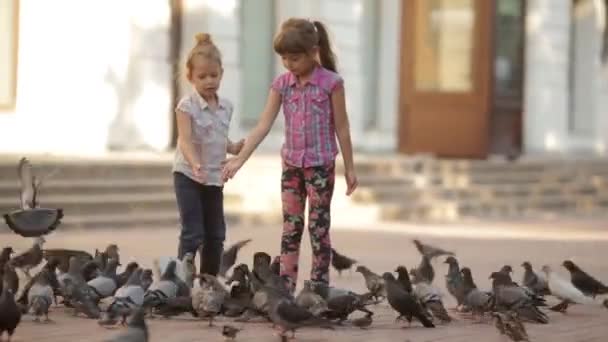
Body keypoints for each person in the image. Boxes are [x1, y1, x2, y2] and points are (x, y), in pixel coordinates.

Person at [222, 18, 357, 292]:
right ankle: (284, 288)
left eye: (294, 58)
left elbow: (342, 128)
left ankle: (318, 288)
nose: (288, 64)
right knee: (290, 228)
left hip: (321, 167)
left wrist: (350, 168)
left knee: (318, 229)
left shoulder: (331, 84)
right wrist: (239, 159)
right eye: (284, 58)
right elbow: (262, 125)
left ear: (313, 51)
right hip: (292, 167)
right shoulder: (282, 85)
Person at [172, 33, 244, 276]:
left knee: (215, 234)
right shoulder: (186, 106)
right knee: (193, 231)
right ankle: (182, 283)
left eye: (213, 75)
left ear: (221, 74)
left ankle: (209, 281)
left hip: (214, 177)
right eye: (202, 76)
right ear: (190, 76)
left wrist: (233, 147)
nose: (209, 81)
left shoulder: (226, 107)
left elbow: (216, 136)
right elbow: (185, 139)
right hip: (188, 175)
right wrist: (195, 164)